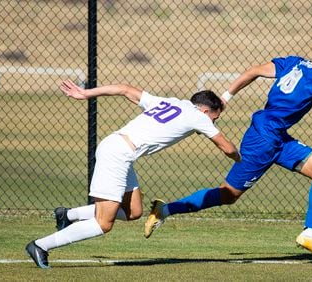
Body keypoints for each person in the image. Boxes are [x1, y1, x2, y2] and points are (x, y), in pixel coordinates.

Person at [144, 41, 312, 262]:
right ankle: (164, 210)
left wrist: (226, 96)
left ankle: (309, 234)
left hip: (278, 137)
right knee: (228, 194)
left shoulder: (293, 63)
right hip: (263, 140)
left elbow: (254, 71)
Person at [25, 79, 241, 269]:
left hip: (120, 150)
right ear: (205, 111)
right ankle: (40, 245)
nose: (213, 123)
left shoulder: (172, 102)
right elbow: (228, 148)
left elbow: (124, 89)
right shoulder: (199, 117)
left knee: (133, 211)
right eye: (215, 118)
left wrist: (87, 93)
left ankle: (68, 215)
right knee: (103, 223)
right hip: (117, 155)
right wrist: (242, 160)